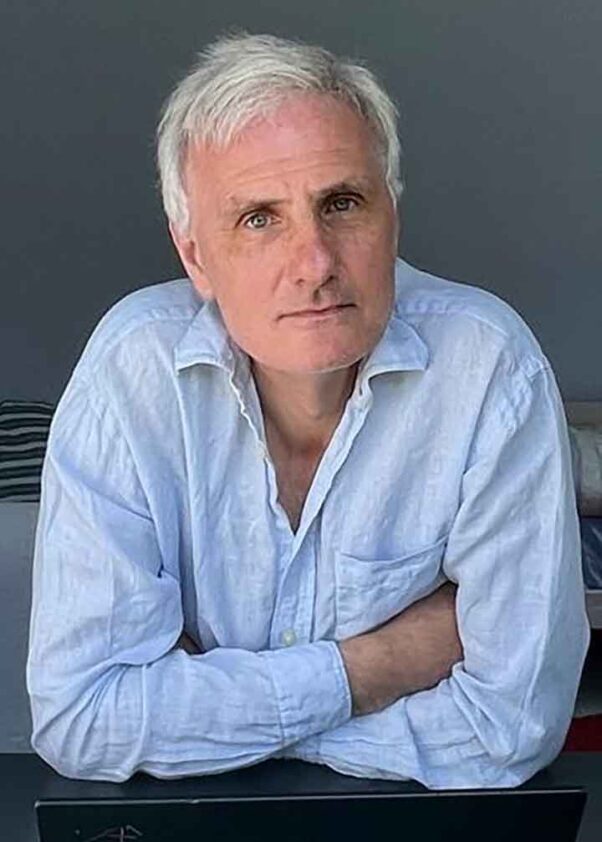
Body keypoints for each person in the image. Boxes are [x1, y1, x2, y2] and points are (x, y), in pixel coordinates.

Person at [26, 32, 590, 789]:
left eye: (342, 203)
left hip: (414, 833)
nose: (316, 264)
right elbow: (83, 717)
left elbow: (509, 728)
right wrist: (383, 662)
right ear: (194, 256)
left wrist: (204, 714)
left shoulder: (491, 367)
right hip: (186, 838)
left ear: (392, 214)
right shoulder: (132, 371)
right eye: (259, 218)